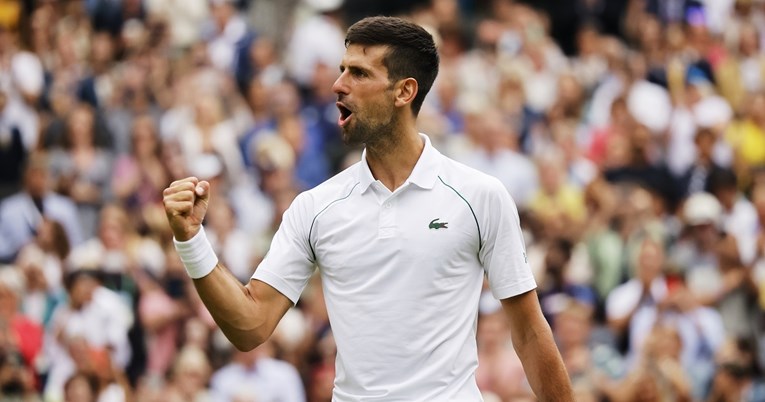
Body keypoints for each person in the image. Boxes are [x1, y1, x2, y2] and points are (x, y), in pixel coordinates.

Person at [163, 16, 573, 401]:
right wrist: (191, 239)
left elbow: (530, 336)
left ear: (404, 91)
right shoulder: (314, 208)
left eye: (358, 73)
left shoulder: (480, 195)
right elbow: (250, 325)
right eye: (343, 70)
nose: (338, 85)